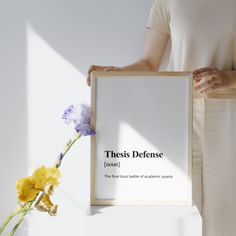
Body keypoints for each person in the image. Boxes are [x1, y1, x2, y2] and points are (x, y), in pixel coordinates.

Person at [87, 0, 236, 235]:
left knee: (228, 213)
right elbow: (149, 63)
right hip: (178, 113)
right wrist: (115, 74)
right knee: (180, 209)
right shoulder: (168, 1)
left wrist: (228, 78)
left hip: (230, 114)